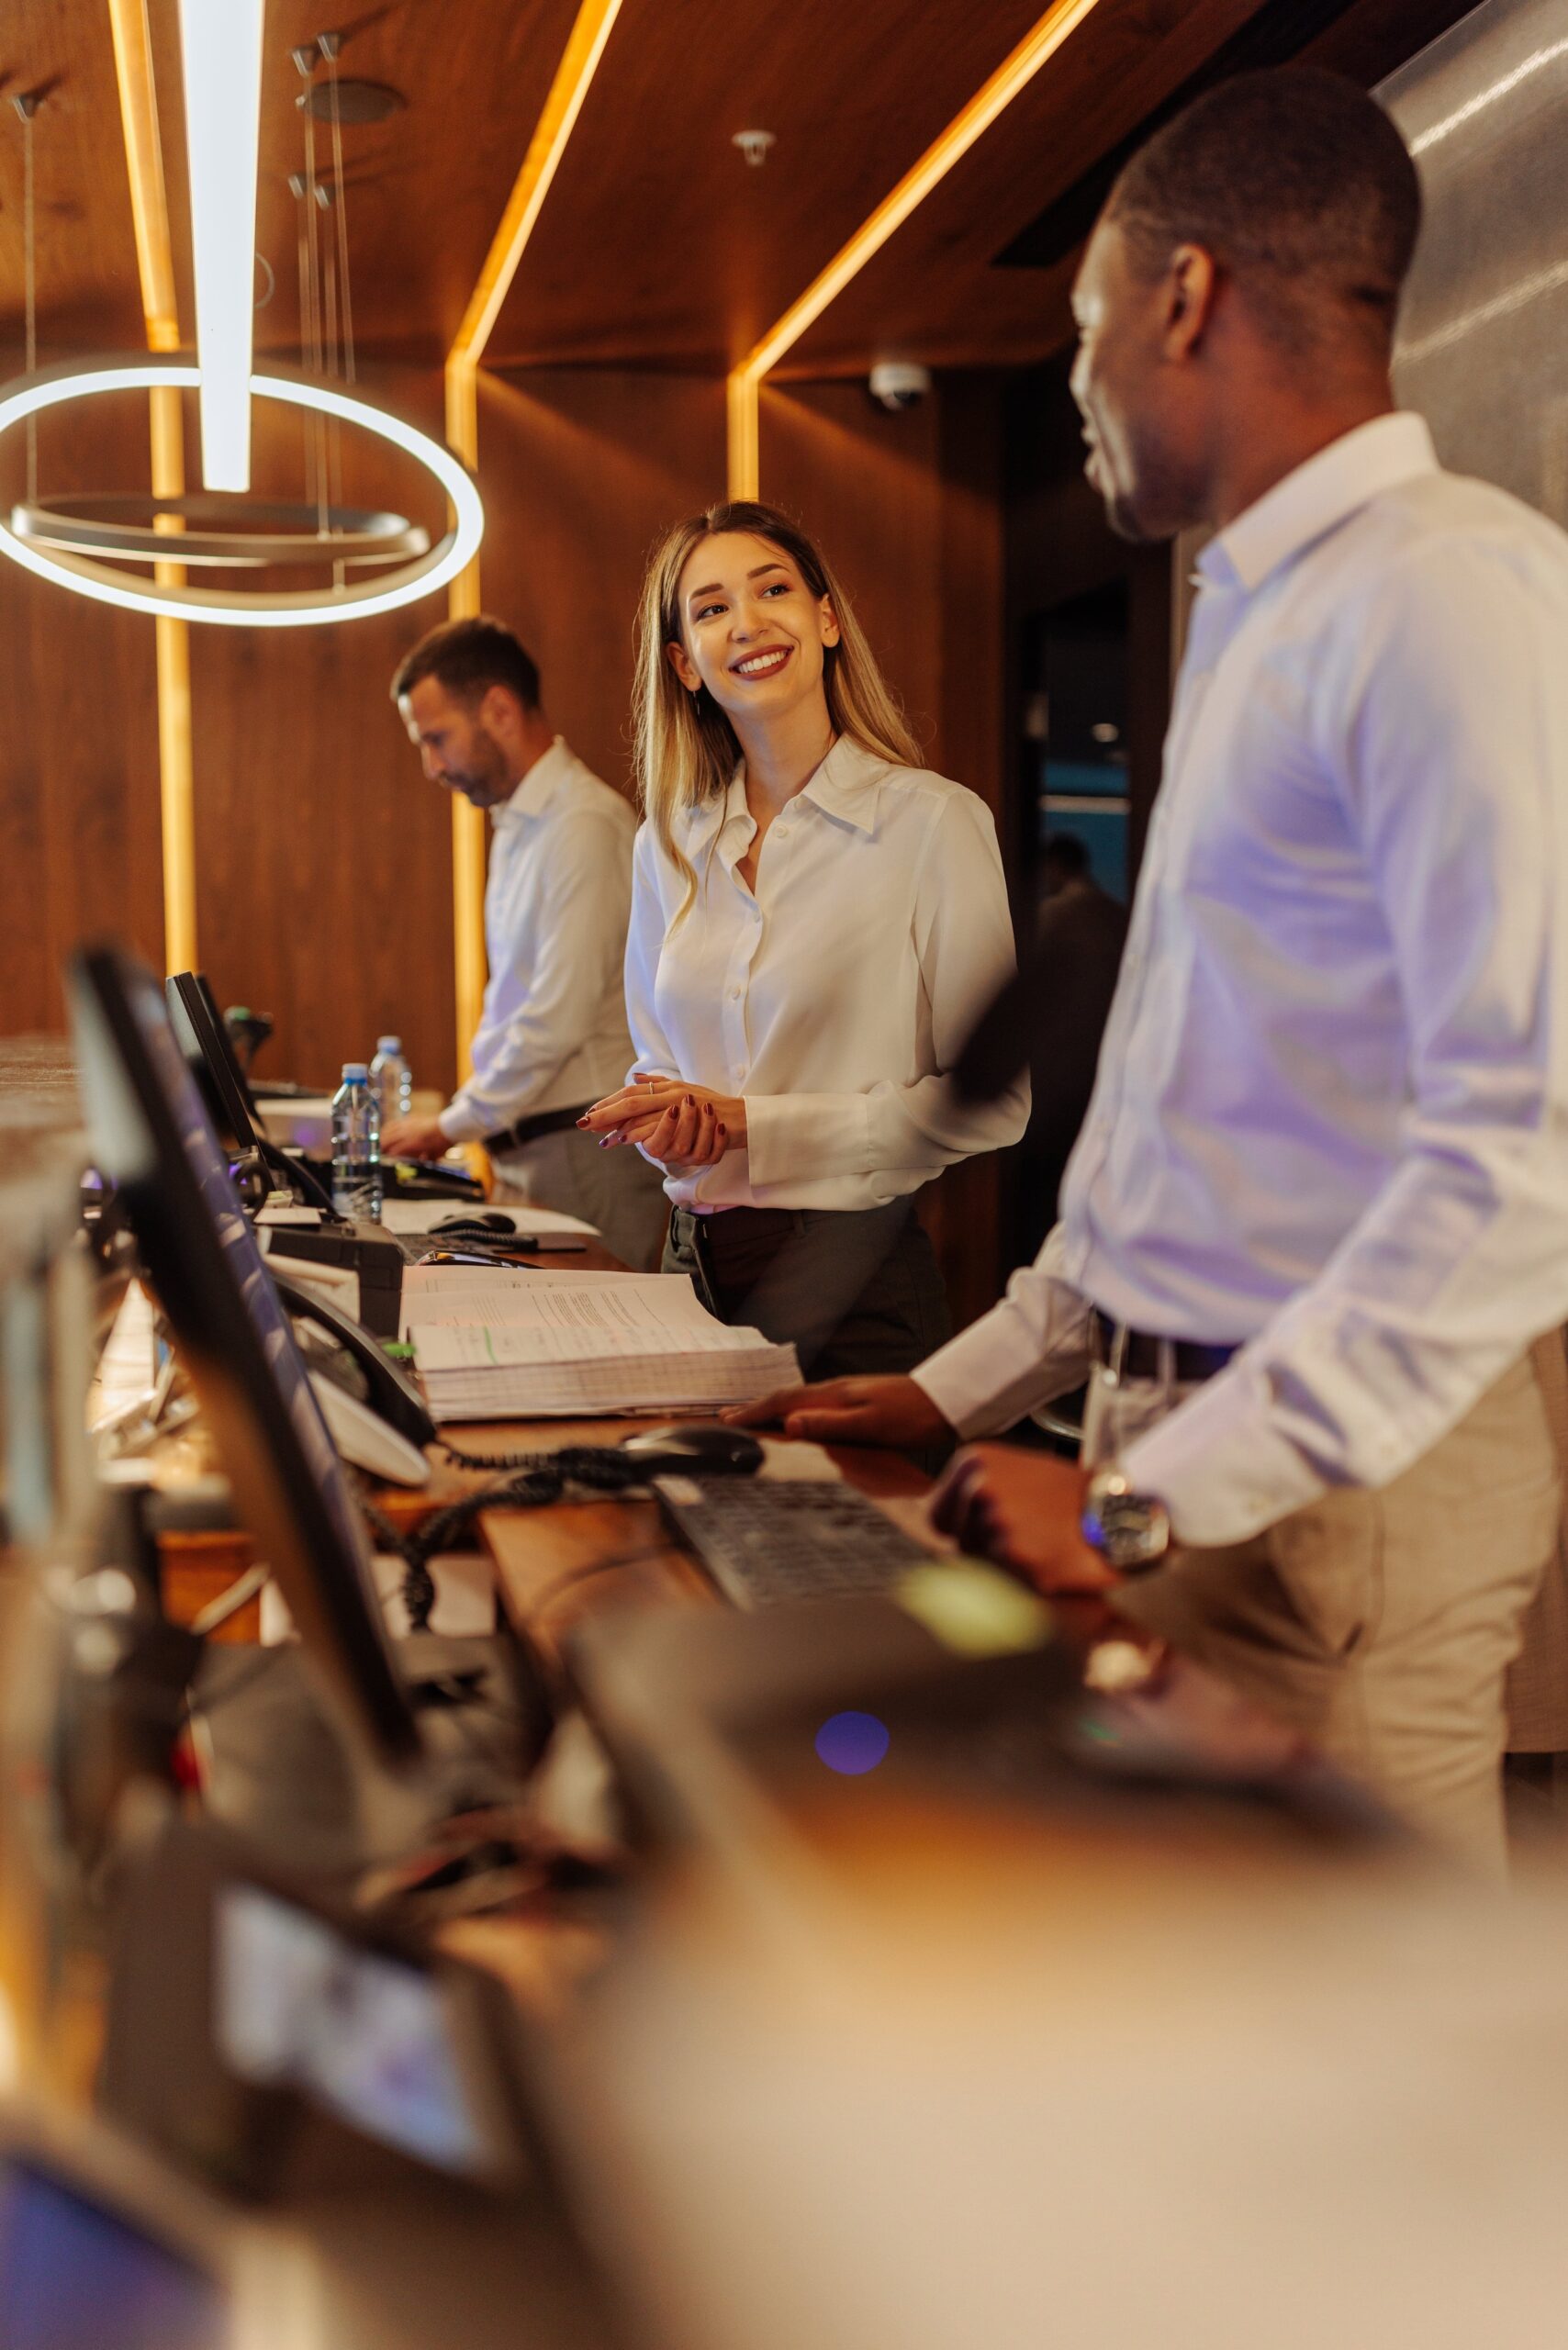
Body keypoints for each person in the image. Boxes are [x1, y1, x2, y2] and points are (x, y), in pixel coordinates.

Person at [733, 69, 1568, 1870]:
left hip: (1320, 1495)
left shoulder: (1445, 596)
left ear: (1182, 297)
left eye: (1079, 324)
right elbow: (1188, 1136)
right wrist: (961, 1385)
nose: (1076, 381)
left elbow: (1523, 1153)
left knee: (1360, 2022)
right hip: (1181, 1453)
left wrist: (1138, 1503)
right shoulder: (1259, 611)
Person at [577, 501, 1028, 1377]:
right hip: (689, 1271)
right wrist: (668, 1123)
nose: (747, 622)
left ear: (826, 621)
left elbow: (996, 1102)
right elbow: (658, 1061)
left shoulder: (933, 823)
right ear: (686, 664)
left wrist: (754, 1126)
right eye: (712, 609)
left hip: (851, 1284)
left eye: (772, 590)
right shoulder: (665, 841)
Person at [383, 617, 669, 1270]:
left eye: (436, 739)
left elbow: (554, 1018)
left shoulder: (583, 826)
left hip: (581, 1155)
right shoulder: (519, 822)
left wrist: (451, 1124)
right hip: (531, 1150)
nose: (432, 767)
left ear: (500, 711)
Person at [956, 832, 1128, 1256]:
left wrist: (974, 1081)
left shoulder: (1058, 919)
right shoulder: (1118, 917)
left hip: (1053, 1097)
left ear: (1055, 867)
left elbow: (1023, 1014)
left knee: (1043, 1223)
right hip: (1108, 1097)